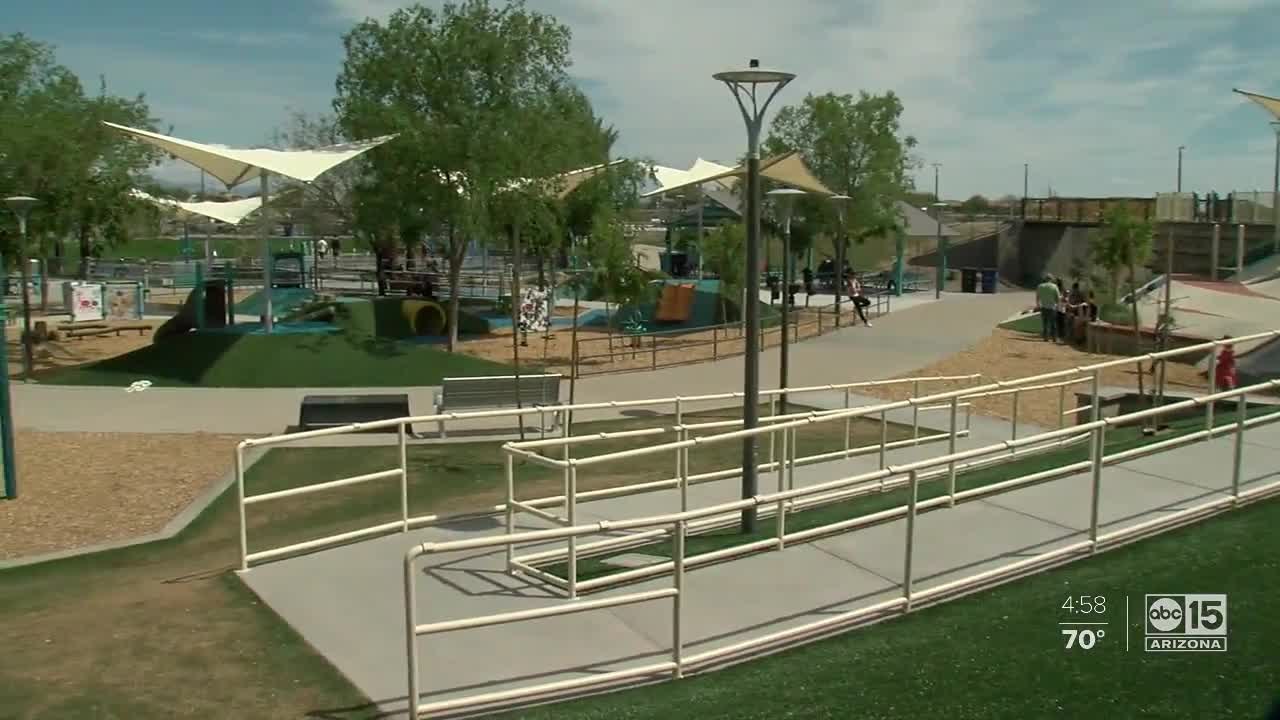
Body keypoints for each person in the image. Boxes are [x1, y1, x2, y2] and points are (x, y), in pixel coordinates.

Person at [1035, 275, 1060, 342]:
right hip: (1052, 307)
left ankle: (1046, 338)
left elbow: (1037, 297)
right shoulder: (1054, 286)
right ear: (1051, 279)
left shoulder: (1040, 286)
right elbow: (1057, 298)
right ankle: (1054, 338)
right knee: (1053, 323)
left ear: (1045, 279)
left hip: (1044, 306)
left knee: (1045, 323)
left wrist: (1038, 305)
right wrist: (1057, 306)